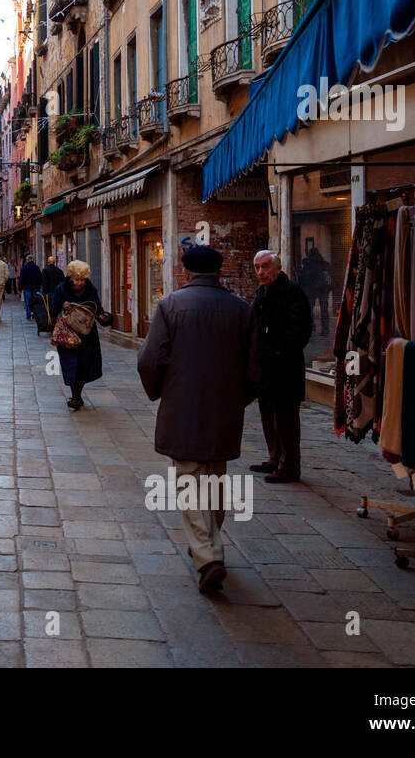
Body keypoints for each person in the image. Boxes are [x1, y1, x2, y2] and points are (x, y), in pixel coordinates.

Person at [136, 245, 251, 594]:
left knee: (189, 481)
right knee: (215, 478)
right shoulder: (241, 309)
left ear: (186, 272)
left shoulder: (170, 306)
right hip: (224, 410)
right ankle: (208, 547)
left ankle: (208, 555)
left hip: (183, 408)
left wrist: (161, 392)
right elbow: (257, 366)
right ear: (219, 272)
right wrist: (238, 399)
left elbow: (148, 360)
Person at [247, 250, 314, 484]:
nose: (261, 272)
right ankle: (274, 457)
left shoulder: (292, 292)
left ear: (278, 267)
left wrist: (279, 351)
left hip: (285, 367)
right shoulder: (262, 292)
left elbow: (301, 329)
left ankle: (290, 465)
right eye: (257, 267)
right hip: (265, 366)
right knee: (267, 412)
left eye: (265, 266)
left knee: (286, 417)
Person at [49, 260, 112, 410]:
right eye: (77, 280)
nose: (80, 283)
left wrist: (104, 317)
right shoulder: (61, 289)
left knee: (83, 366)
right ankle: (75, 396)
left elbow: (97, 310)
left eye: (82, 280)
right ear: (71, 278)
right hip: (67, 335)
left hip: (86, 336)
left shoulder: (91, 290)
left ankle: (77, 396)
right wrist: (61, 306)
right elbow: (53, 309)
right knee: (70, 365)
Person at [298, 247, 332, 338]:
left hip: (312, 289)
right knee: (324, 310)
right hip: (323, 289)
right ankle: (325, 330)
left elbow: (304, 276)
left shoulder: (307, 263)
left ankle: (312, 327)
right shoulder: (324, 264)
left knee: (309, 308)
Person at [18, 255, 42, 320]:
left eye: (26, 259)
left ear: (28, 260)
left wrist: (20, 288)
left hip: (27, 287)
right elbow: (40, 278)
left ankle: (28, 314)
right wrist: (39, 287)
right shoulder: (37, 268)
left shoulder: (24, 267)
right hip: (35, 287)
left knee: (27, 301)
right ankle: (35, 313)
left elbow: (21, 278)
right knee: (35, 301)